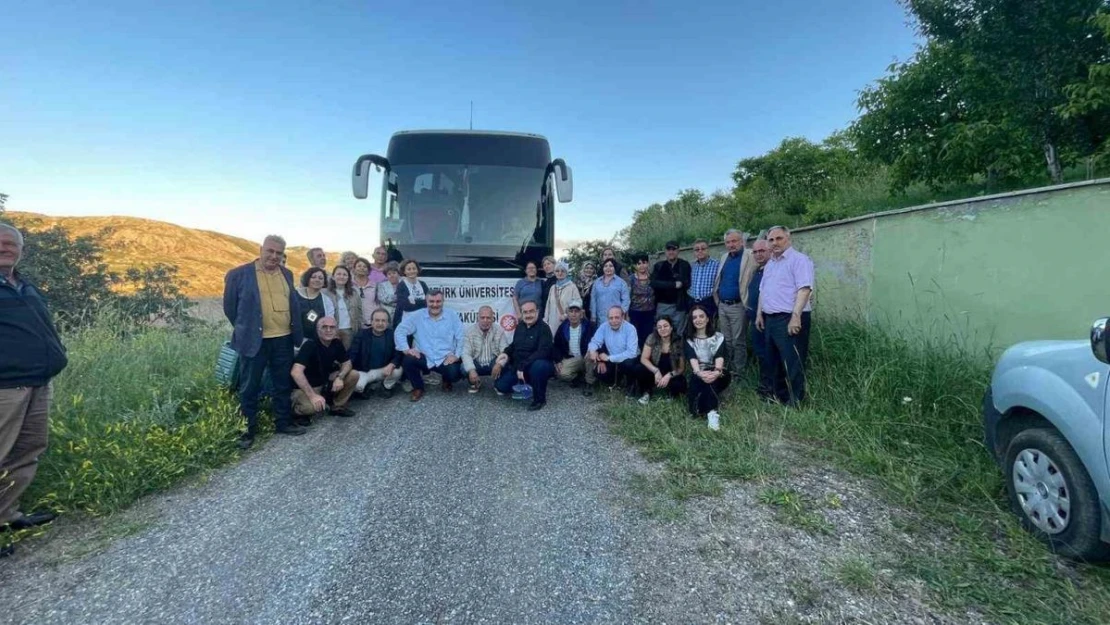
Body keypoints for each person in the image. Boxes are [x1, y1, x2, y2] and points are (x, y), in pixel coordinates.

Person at [0, 223, 67, 556]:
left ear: (21, 250)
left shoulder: (24, 285)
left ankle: (7, 516)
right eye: (0, 242)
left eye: (12, 243)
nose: (6, 248)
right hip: (5, 388)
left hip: (38, 384)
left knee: (27, 450)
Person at [223, 235, 306, 449]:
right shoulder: (238, 274)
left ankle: (283, 423)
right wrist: (246, 329)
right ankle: (246, 431)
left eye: (279, 253)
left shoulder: (286, 274)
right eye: (270, 251)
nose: (274, 256)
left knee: (282, 384)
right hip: (254, 341)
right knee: (250, 386)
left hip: (283, 339)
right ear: (260, 249)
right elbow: (230, 308)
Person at [755, 226, 814, 407]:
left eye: (779, 238)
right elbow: (763, 290)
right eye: (771, 240)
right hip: (770, 319)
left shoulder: (800, 260)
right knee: (773, 361)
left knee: (793, 362)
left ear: (788, 238)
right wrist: (759, 314)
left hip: (790, 318)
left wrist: (795, 316)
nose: (775, 243)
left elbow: (804, 289)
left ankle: (795, 401)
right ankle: (778, 397)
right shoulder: (771, 263)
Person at [394, 289, 465, 402]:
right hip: (424, 357)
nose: (435, 305)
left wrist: (456, 355)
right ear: (426, 301)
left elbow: (460, 337)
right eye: (431, 301)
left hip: (445, 358)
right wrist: (406, 349)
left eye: (438, 301)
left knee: (455, 373)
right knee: (408, 360)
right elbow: (400, 330)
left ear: (443, 301)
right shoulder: (417, 315)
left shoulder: (452, 315)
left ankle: (446, 380)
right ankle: (418, 387)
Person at [290, 316, 359, 424]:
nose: (328, 330)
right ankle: (296, 412)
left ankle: (337, 407)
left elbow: (347, 363)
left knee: (353, 374)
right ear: (318, 330)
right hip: (305, 388)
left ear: (336, 330)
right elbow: (296, 372)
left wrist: (340, 377)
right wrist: (312, 396)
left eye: (332, 327)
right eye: (324, 327)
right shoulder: (310, 345)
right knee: (310, 408)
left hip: (324, 383)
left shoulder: (336, 343)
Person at [494, 301, 555, 411]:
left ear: (537, 312)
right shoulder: (520, 326)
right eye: (525, 312)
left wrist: (523, 366)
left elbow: (543, 352)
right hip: (519, 366)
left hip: (535, 365)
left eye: (531, 311)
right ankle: (528, 384)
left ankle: (539, 400)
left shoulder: (544, 328)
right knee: (500, 386)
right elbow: (514, 345)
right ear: (521, 313)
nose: (528, 315)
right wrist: (505, 353)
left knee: (539, 366)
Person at [713, 229, 756, 380]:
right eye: (728, 242)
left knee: (738, 341)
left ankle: (739, 373)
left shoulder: (750, 256)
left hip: (738, 306)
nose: (731, 244)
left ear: (741, 241)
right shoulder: (725, 257)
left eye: (734, 241)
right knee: (726, 340)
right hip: (723, 305)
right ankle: (728, 370)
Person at [685, 304, 729, 429]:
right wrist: (699, 373)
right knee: (695, 410)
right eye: (694, 318)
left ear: (707, 319)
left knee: (712, 381)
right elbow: (692, 358)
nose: (698, 320)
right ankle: (707, 408)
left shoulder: (719, 337)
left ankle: (712, 414)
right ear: (691, 321)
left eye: (701, 316)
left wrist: (716, 372)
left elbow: (719, 357)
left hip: (718, 372)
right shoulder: (689, 339)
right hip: (699, 373)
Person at [586, 305, 641, 397]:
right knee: (599, 371)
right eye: (611, 318)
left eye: (617, 317)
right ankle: (616, 381)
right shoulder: (604, 326)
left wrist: (608, 358)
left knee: (628, 364)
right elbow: (595, 341)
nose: (614, 321)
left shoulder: (630, 329)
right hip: (612, 359)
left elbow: (631, 353)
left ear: (623, 317)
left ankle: (631, 384)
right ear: (607, 318)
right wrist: (592, 350)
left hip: (629, 359)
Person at [349, 308, 404, 397]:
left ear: (388, 323)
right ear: (371, 321)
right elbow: (352, 354)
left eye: (383, 321)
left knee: (398, 370)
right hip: (364, 371)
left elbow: (398, 353)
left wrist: (392, 364)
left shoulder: (392, 335)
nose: (380, 323)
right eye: (377, 320)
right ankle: (366, 387)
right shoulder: (362, 334)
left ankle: (385, 387)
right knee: (358, 387)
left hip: (383, 370)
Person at [635, 315, 687, 404]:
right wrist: (655, 371)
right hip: (654, 370)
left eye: (665, 326)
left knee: (680, 383)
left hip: (671, 372)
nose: (662, 329)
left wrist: (669, 375)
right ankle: (646, 393)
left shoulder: (679, 341)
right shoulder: (652, 338)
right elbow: (644, 358)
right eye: (659, 327)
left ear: (671, 327)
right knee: (640, 369)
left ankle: (671, 396)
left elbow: (681, 368)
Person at [746, 239, 774, 399]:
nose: (758, 254)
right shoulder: (757, 271)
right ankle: (765, 386)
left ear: (770, 250)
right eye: (755, 252)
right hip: (756, 320)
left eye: (762, 250)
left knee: (770, 354)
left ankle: (772, 389)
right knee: (761, 353)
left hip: (769, 319)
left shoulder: (773, 269)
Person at [463, 305, 509, 393]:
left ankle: (498, 384)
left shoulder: (499, 330)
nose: (485, 320)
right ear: (478, 318)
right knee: (463, 367)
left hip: (493, 363)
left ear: (493, 319)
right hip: (477, 363)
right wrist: (471, 370)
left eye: (488, 318)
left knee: (504, 363)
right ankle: (474, 383)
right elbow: (465, 353)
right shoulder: (469, 331)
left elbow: (505, 350)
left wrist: (499, 364)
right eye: (482, 317)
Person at [651, 240, 692, 336]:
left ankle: (678, 351)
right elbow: (653, 283)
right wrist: (673, 284)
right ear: (665, 251)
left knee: (679, 333)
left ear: (678, 251)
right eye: (669, 249)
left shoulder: (684, 265)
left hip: (679, 306)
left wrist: (680, 283)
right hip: (663, 305)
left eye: (674, 249)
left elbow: (687, 282)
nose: (671, 252)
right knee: (663, 333)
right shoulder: (659, 266)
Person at [553, 299, 596, 389]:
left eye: (576, 311)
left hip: (585, 356)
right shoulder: (563, 327)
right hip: (572, 358)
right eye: (571, 311)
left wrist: (594, 351)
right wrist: (558, 360)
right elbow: (556, 345)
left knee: (591, 356)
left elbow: (597, 342)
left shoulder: (589, 326)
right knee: (561, 373)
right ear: (567, 314)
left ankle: (589, 383)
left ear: (581, 314)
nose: (573, 314)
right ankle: (577, 377)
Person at [325, 265, 362, 349]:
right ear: (333, 277)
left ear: (348, 278)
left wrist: (359, 327)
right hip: (331, 330)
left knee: (346, 356)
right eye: (339, 274)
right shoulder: (325, 293)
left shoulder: (354, 292)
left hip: (349, 329)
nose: (341, 276)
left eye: (345, 275)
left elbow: (360, 312)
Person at [687, 238, 720, 322]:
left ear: (708, 250)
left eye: (703, 248)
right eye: (697, 249)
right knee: (694, 327)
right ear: (694, 252)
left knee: (710, 327)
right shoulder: (691, 265)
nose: (700, 251)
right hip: (693, 302)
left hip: (708, 302)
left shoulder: (717, 264)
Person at [628, 253, 656, 348]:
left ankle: (648, 357)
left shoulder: (653, 277)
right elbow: (627, 296)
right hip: (635, 313)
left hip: (650, 312)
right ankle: (639, 358)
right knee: (637, 337)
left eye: (644, 262)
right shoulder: (631, 279)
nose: (641, 266)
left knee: (649, 336)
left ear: (648, 263)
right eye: (638, 263)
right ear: (635, 266)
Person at [590, 259, 630, 326]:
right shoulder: (597, 282)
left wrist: (621, 312)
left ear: (615, 268)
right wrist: (593, 316)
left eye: (611, 266)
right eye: (605, 266)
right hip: (600, 318)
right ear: (603, 268)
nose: (608, 268)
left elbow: (626, 300)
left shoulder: (621, 282)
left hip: (616, 318)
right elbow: (593, 299)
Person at [543, 261, 581, 332]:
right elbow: (548, 305)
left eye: (562, 271)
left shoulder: (572, 287)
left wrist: (567, 315)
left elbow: (578, 303)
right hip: (552, 323)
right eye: (557, 271)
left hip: (567, 321)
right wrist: (546, 320)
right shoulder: (553, 288)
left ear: (566, 273)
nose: (560, 273)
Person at [394, 259, 431, 329]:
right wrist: (422, 302)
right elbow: (406, 306)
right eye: (409, 269)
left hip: (423, 321)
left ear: (417, 270)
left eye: (414, 268)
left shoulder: (423, 284)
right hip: (406, 323)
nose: (412, 271)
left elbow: (429, 302)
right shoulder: (401, 286)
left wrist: (414, 302)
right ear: (404, 271)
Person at [295, 267, 328, 344]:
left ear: (324, 282)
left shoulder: (326, 300)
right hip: (295, 341)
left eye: (321, 278)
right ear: (308, 279)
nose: (317, 280)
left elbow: (328, 320)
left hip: (317, 341)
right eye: (313, 277)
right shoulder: (295, 295)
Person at [352, 256, 378, 329]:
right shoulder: (349, 286)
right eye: (359, 266)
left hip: (372, 323)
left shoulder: (375, 286)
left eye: (365, 266)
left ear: (369, 271)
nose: (362, 268)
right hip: (355, 324)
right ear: (354, 269)